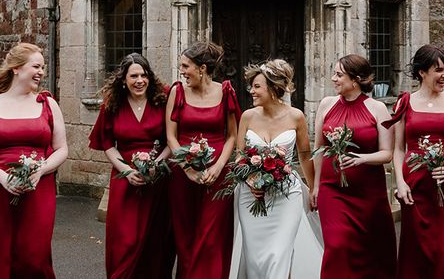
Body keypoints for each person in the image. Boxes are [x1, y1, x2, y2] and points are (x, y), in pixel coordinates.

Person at [0, 42, 68, 279]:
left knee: (35, 256)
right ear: (16, 68)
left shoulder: (48, 104)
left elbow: (62, 149)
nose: (41, 72)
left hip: (38, 190)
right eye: (36, 66)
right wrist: (2, 177)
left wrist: (41, 170)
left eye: (43, 67)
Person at [233, 59, 322, 278]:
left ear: (273, 89)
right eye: (251, 86)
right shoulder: (247, 116)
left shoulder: (296, 116)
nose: (251, 91)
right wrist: (251, 180)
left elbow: (304, 156)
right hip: (251, 196)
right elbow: (239, 157)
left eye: (256, 87)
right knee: (255, 257)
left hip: (286, 196)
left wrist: (312, 189)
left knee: (279, 253)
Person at [88, 53, 175, 278]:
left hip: (158, 179)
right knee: (124, 240)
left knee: (155, 241)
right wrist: (126, 171)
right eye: (133, 75)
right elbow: (107, 143)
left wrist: (156, 164)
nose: (139, 80)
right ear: (123, 79)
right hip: (124, 180)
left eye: (144, 75)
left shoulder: (163, 99)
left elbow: (171, 140)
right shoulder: (113, 103)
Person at [312, 54, 396, 279]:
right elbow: (318, 149)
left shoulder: (377, 108)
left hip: (369, 194)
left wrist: (362, 159)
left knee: (370, 250)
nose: (333, 79)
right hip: (332, 190)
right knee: (337, 245)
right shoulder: (326, 105)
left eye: (339, 75)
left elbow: (387, 153)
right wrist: (315, 186)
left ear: (356, 80)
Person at [390, 45, 444, 279]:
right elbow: (398, 148)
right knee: (418, 252)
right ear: (422, 72)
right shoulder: (405, 102)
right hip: (416, 188)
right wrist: (400, 183)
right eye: (439, 70)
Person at [166, 42, 240, 278]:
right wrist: (187, 168)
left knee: (211, 237)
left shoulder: (226, 91)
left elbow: (232, 136)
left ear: (202, 68)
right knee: (185, 236)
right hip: (183, 175)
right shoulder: (177, 92)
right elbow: (171, 136)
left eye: (185, 66)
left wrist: (219, 168)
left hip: (218, 176)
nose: (182, 71)